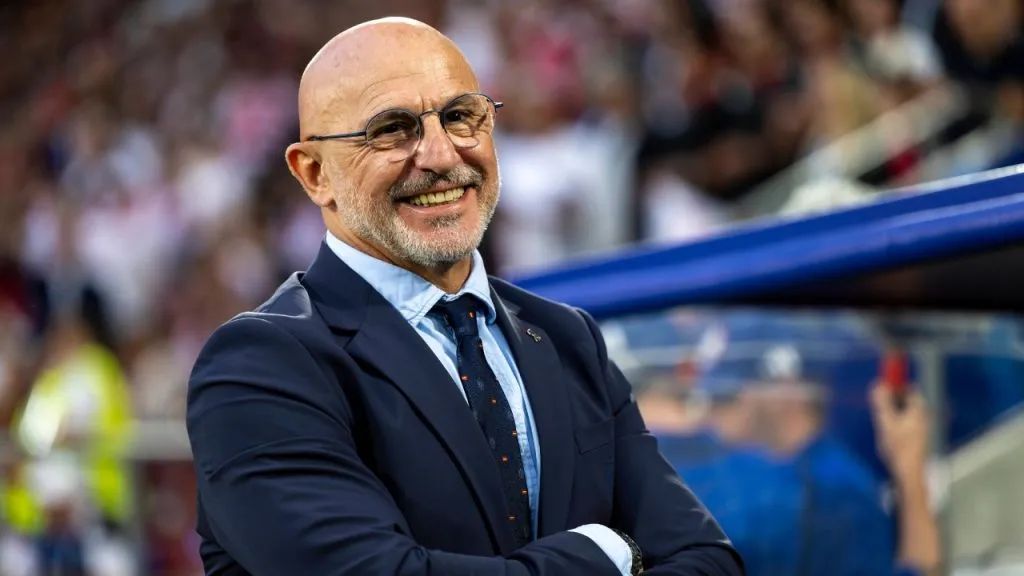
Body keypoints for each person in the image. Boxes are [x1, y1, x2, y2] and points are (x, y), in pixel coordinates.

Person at [185, 17, 744, 576]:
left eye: (459, 117)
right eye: (393, 129)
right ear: (313, 173)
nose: (441, 156)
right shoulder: (259, 366)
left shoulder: (568, 338)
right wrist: (608, 552)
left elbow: (709, 562)